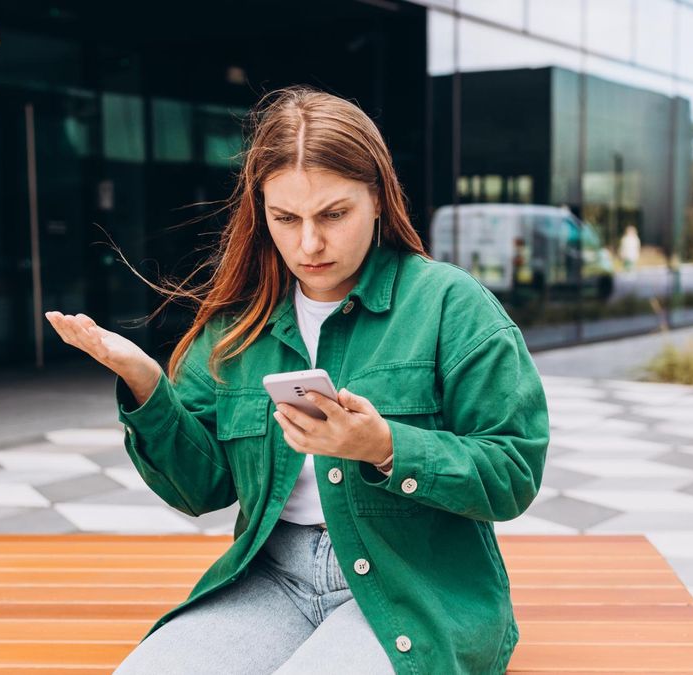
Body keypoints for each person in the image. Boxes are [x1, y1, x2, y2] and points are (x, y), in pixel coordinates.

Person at [45, 86, 549, 675]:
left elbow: (512, 473)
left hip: (415, 586)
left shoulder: (450, 305)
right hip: (271, 578)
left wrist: (384, 448)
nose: (309, 243)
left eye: (334, 214)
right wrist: (145, 384)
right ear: (262, 213)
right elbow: (199, 489)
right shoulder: (239, 324)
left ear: (380, 199)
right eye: (286, 218)